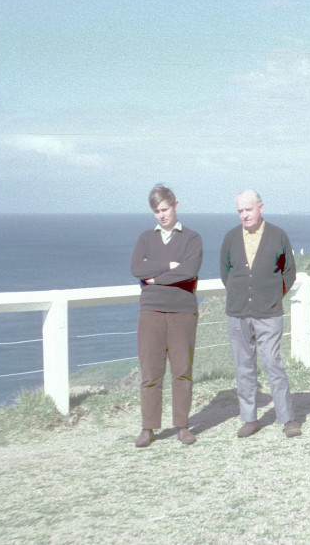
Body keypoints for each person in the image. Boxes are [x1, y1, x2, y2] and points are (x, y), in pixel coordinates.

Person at [220, 189, 301, 438]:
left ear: (261, 208)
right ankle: (249, 419)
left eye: (248, 209)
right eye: (240, 211)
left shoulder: (278, 236)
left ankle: (287, 418)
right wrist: (242, 295)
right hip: (238, 313)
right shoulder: (231, 238)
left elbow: (289, 273)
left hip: (269, 313)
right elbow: (226, 273)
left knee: (272, 363)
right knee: (243, 366)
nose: (244, 215)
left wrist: (272, 298)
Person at [130, 184, 203, 447]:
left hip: (182, 311)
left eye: (165, 209)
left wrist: (154, 278)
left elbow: (190, 271)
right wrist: (170, 266)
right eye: (157, 211)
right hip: (150, 312)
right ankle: (148, 428)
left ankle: (182, 426)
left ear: (175, 206)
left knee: (182, 370)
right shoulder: (145, 239)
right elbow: (136, 268)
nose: (162, 215)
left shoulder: (192, 238)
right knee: (151, 372)